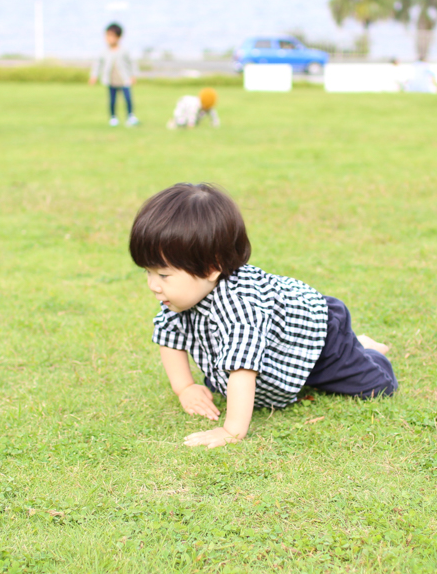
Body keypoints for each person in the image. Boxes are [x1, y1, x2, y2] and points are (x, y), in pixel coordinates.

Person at [129, 183, 397, 448]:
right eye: (148, 272)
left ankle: (365, 349)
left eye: (163, 274)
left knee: (374, 387)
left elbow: (243, 369)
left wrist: (231, 431)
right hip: (276, 347)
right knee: (221, 379)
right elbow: (169, 336)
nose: (153, 284)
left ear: (212, 268)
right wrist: (185, 387)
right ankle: (353, 348)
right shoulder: (177, 298)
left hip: (318, 337)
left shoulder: (241, 305)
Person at [89, 22, 139, 127]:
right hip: (111, 80)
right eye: (107, 36)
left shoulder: (124, 51)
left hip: (124, 80)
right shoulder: (104, 52)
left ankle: (130, 116)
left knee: (128, 99)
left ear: (118, 37)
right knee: (112, 101)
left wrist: (133, 75)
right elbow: (98, 64)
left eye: (111, 36)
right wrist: (94, 76)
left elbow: (131, 63)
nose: (109, 38)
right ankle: (113, 117)